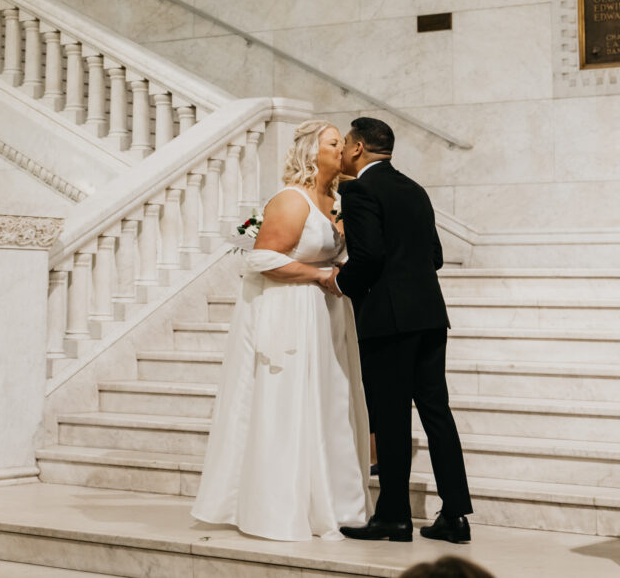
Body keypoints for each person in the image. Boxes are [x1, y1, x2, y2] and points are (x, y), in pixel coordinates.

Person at [191, 120, 370, 540]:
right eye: (333, 143)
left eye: (342, 143)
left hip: (326, 313)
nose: (342, 149)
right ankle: (279, 506)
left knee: (329, 402)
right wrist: (320, 275)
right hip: (291, 310)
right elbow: (260, 259)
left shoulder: (337, 199)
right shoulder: (291, 200)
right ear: (312, 151)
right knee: (290, 402)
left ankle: (336, 502)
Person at [330, 117, 473, 543]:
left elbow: (369, 257)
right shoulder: (414, 188)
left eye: (345, 145)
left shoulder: (358, 190)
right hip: (430, 315)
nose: (341, 153)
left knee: (390, 418)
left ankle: (393, 516)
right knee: (436, 413)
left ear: (357, 148)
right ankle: (455, 516)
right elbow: (435, 255)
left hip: (388, 321)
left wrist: (340, 282)